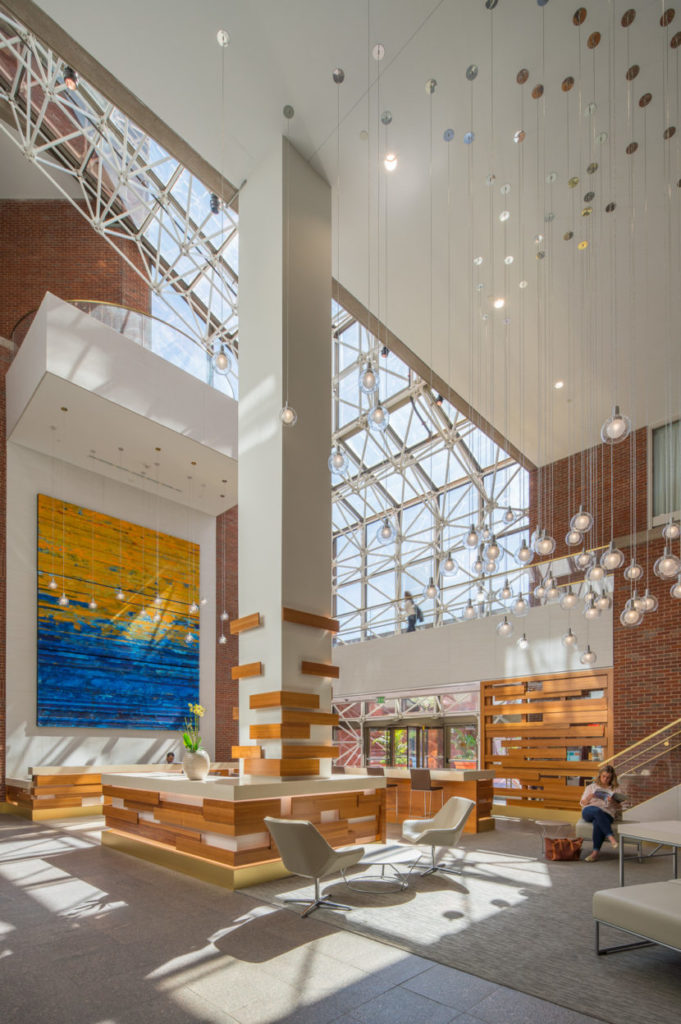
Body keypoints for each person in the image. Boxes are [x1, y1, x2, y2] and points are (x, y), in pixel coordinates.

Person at [580, 764, 623, 861]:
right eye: (603, 776)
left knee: (597, 822)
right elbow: (582, 803)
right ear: (600, 775)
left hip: (607, 813)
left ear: (612, 778)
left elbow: (620, 807)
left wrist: (613, 802)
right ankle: (610, 836)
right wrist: (590, 796)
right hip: (589, 810)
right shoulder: (591, 787)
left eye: (608, 777)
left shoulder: (615, 789)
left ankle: (594, 854)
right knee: (597, 811)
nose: (605, 779)